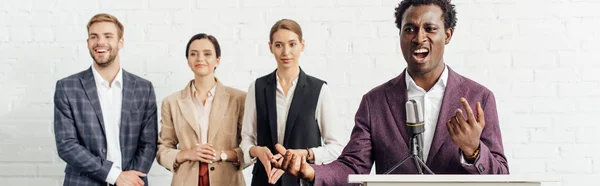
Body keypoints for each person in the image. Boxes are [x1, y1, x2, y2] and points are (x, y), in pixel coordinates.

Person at [272, 0, 509, 185]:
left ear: (447, 35)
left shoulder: (479, 98)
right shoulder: (375, 102)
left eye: (430, 28)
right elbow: (353, 167)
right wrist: (311, 171)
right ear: (400, 36)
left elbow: (501, 176)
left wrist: (473, 151)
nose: (419, 37)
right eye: (410, 29)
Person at [240, 19, 349, 186]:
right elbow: (247, 138)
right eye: (279, 45)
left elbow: (335, 147)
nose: (286, 52)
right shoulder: (257, 87)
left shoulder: (319, 89)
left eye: (292, 44)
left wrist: (304, 154)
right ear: (270, 47)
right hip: (264, 180)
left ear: (302, 45)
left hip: (302, 181)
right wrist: (256, 151)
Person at [54, 13, 157, 186]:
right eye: (94, 37)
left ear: (120, 42)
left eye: (108, 36)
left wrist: (130, 179)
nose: (100, 42)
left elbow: (149, 143)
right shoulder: (67, 88)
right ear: (88, 43)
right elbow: (67, 145)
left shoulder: (143, 88)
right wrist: (115, 176)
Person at [156, 33, 247, 186]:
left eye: (207, 54)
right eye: (193, 54)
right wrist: (187, 154)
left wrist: (222, 155)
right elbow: (162, 150)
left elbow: (250, 147)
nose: (200, 58)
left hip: (227, 181)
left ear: (217, 60)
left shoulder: (239, 99)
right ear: (188, 61)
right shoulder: (171, 102)